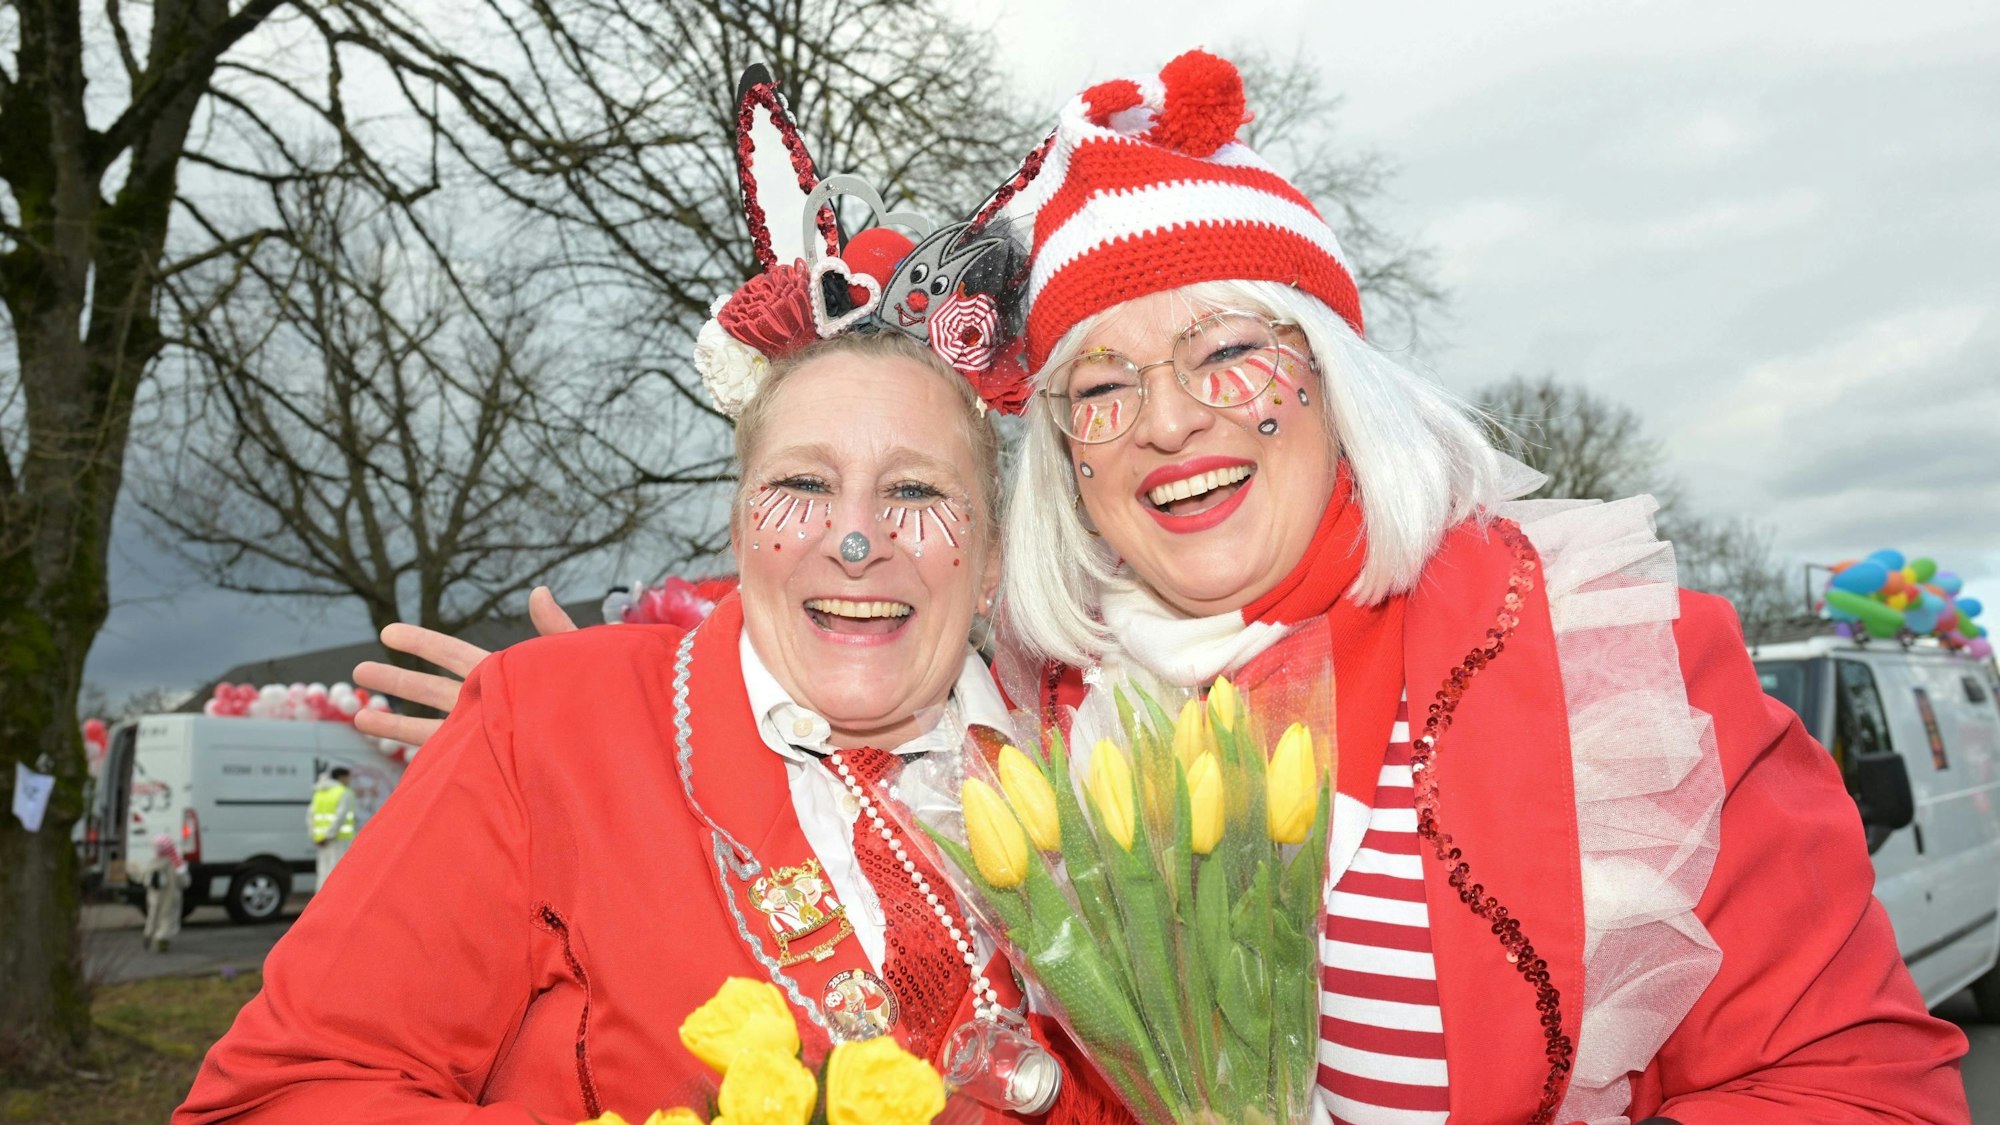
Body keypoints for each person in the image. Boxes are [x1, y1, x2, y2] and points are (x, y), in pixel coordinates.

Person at [985, 49, 1969, 1125]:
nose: (1166, 420)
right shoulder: (1067, 723)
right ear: (1064, 456)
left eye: (1223, 349)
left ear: (1333, 379)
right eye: (1101, 385)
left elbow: (1862, 1093)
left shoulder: (1613, 668)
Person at [176, 67, 1109, 1124]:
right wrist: (571, 751)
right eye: (801, 485)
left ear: (990, 557)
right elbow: (278, 1097)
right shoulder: (554, 721)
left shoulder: (1100, 787)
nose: (856, 540)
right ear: (737, 527)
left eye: (915, 491)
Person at [308, 765, 357, 887]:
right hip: (340, 839)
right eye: (347, 777)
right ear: (341, 777)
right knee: (338, 872)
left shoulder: (319, 793)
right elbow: (341, 817)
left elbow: (310, 817)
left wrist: (316, 836)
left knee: (323, 872)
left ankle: (321, 901)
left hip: (321, 841)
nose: (349, 781)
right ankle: (338, 903)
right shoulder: (344, 792)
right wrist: (329, 835)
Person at [142, 833, 190, 953]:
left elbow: (145, 879)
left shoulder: (153, 862)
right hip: (171, 896)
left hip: (154, 895)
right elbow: (184, 881)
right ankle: (162, 940)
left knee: (153, 915)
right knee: (168, 918)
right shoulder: (176, 863)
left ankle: (148, 933)